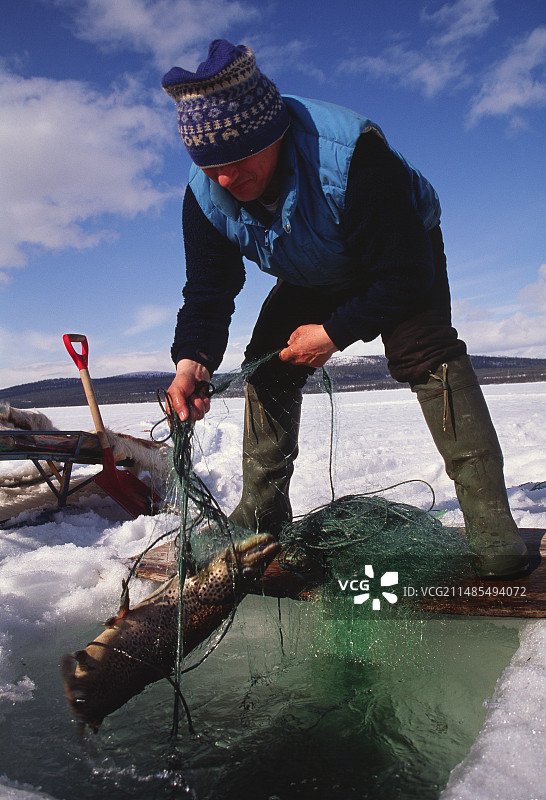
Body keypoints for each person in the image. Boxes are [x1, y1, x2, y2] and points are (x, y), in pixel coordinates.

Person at [161, 39, 528, 578]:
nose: (224, 179)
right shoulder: (206, 194)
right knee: (268, 358)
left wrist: (333, 333)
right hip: (315, 265)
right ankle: (261, 513)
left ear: (274, 135)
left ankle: (491, 522)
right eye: (209, 164)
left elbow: (404, 276)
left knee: (424, 352)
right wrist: (191, 361)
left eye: (237, 161)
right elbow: (210, 288)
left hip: (401, 255)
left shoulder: (351, 156)